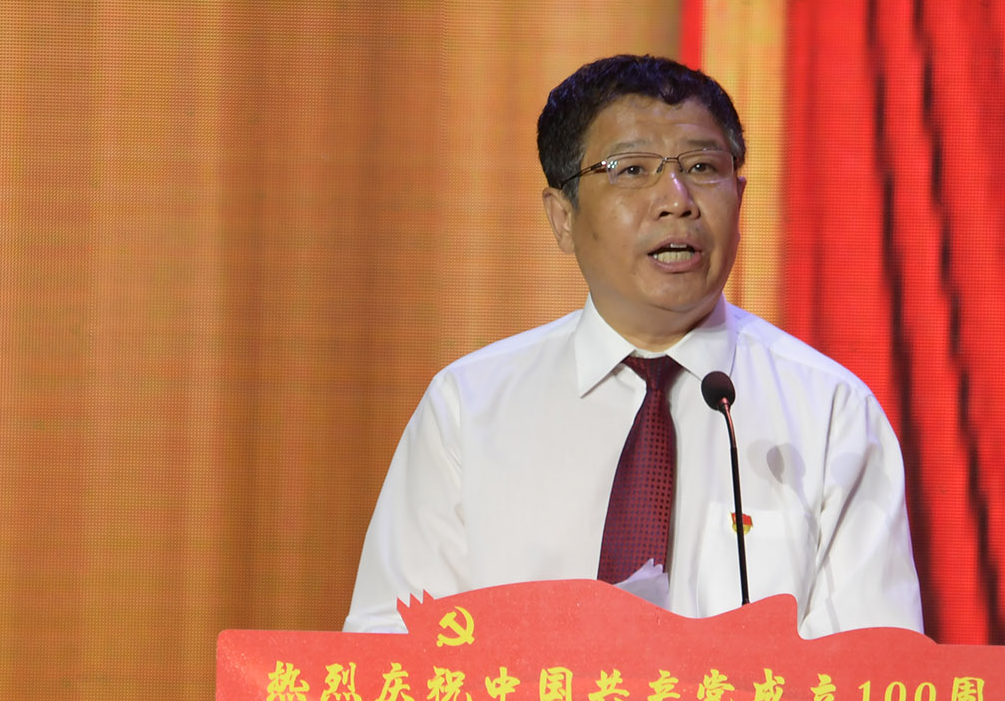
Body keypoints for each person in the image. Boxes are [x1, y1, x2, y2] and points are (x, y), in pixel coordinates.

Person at [344, 54, 922, 639]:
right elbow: (391, 648)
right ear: (562, 217)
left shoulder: (830, 412)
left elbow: (873, 668)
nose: (677, 199)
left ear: (739, 197)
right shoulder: (469, 409)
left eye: (703, 167)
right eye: (631, 170)